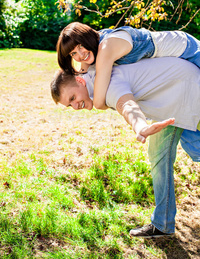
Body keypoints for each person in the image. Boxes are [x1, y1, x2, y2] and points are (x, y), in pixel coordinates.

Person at [50, 56, 200, 238]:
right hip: (173, 95)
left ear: (80, 81)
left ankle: (163, 223)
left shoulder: (107, 85)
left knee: (191, 149)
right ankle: (163, 223)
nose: (75, 106)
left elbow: (127, 105)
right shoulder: (91, 72)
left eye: (73, 98)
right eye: (69, 104)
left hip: (186, 88)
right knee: (161, 154)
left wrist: (141, 127)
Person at [56, 22, 200, 111]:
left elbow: (99, 103)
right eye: (73, 53)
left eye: (81, 46)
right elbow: (82, 70)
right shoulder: (90, 52)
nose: (80, 55)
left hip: (182, 47)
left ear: (87, 37)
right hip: (173, 64)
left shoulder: (106, 48)